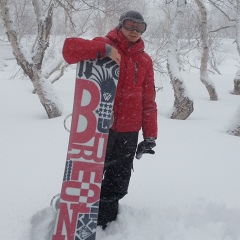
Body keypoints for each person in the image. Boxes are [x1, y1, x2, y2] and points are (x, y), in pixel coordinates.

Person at [62, 10, 158, 229]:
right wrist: (103, 50)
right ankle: (79, 216)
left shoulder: (144, 60)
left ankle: (105, 225)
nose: (134, 31)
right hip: (98, 128)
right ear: (120, 25)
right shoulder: (104, 44)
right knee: (87, 177)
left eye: (140, 27)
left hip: (128, 131)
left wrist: (150, 135)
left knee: (118, 182)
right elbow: (69, 50)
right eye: (130, 25)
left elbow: (148, 100)